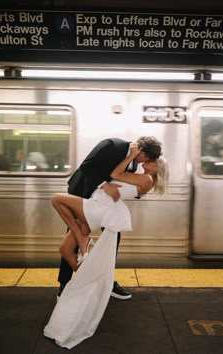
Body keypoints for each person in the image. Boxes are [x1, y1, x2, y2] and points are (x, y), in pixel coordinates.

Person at [44, 145, 169, 349]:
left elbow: (114, 174)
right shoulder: (140, 174)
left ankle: (81, 240)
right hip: (96, 204)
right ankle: (89, 281)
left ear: (156, 168)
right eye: (147, 159)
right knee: (65, 250)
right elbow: (114, 177)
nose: (145, 162)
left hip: (98, 208)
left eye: (151, 161)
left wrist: (130, 156)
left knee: (56, 199)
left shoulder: (146, 179)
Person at [58, 136, 162, 300]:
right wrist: (105, 185)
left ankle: (106, 281)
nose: (143, 163)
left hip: (105, 204)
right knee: (72, 237)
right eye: (145, 158)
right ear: (140, 151)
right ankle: (65, 283)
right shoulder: (112, 145)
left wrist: (139, 190)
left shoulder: (134, 163)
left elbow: (124, 183)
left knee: (112, 239)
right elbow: (87, 167)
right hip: (82, 191)